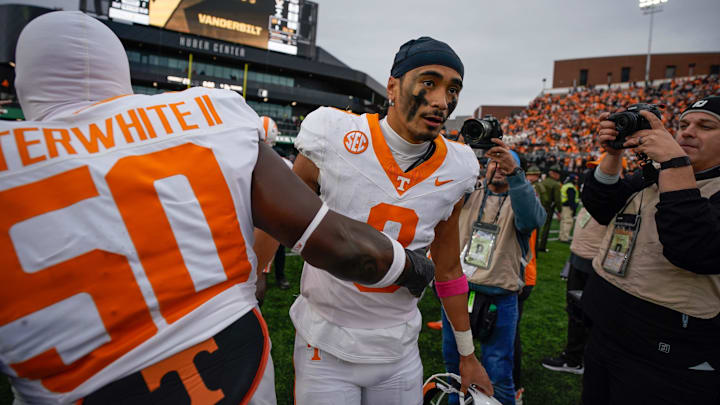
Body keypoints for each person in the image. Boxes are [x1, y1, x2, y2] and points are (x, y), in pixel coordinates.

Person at [0, 12, 436, 404]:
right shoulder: (210, 115)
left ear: (24, 79)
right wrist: (416, 269)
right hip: (233, 370)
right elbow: (342, 244)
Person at [280, 36, 493, 404]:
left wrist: (467, 353)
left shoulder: (459, 168)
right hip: (324, 344)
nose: (442, 101)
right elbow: (280, 214)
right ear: (392, 86)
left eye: (453, 89)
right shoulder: (334, 133)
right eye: (429, 82)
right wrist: (254, 280)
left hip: (398, 351)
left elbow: (448, 269)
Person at [581, 95, 720, 404]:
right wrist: (613, 155)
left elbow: (693, 247)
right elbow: (602, 207)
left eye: (706, 125)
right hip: (606, 328)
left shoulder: (675, 173)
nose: (686, 132)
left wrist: (675, 164)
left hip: (666, 352)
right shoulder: (656, 175)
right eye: (682, 125)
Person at [441, 146, 546, 405]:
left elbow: (532, 220)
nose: (497, 167)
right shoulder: (471, 193)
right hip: (459, 293)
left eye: (505, 164)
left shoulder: (522, 200)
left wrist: (516, 176)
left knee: (498, 371)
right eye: (493, 163)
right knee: (454, 368)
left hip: (500, 297)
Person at [540, 204, 606, 375]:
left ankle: (578, 359)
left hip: (597, 263)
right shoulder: (595, 189)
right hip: (579, 258)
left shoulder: (617, 190)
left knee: (590, 315)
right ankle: (574, 357)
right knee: (575, 311)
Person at [511, 165, 543, 404]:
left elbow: (530, 221)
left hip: (518, 277)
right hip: (495, 276)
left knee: (508, 335)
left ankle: (513, 386)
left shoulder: (522, 196)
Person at [537, 164, 562, 252]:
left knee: (537, 227)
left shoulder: (543, 182)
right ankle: (542, 246)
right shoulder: (555, 184)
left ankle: (534, 245)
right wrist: (559, 211)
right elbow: (557, 200)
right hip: (548, 208)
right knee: (546, 228)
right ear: (554, 173)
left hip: (539, 206)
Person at [558, 173, 579, 242]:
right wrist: (573, 209)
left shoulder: (565, 185)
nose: (576, 181)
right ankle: (565, 237)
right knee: (568, 222)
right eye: (575, 179)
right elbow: (571, 199)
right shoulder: (570, 187)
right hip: (568, 207)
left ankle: (561, 236)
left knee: (563, 222)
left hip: (564, 206)